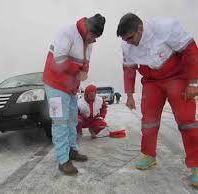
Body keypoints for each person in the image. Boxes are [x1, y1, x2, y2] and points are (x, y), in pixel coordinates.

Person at [117, 13, 198, 187]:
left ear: (140, 28)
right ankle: (148, 156)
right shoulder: (126, 44)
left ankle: (196, 166)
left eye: (130, 37)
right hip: (151, 81)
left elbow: (190, 50)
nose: (128, 42)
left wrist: (193, 83)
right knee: (149, 121)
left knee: (187, 121)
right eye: (125, 39)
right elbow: (129, 69)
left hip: (176, 76)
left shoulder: (166, 27)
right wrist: (129, 94)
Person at [43, 14, 106, 175]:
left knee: (71, 120)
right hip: (54, 84)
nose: (93, 39)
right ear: (88, 28)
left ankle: (72, 150)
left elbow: (86, 64)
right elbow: (59, 59)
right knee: (60, 122)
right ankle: (63, 160)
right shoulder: (67, 31)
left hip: (70, 88)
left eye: (96, 37)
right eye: (92, 35)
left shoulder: (89, 42)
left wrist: (84, 72)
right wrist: (78, 72)